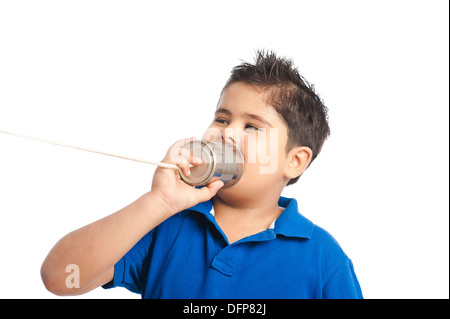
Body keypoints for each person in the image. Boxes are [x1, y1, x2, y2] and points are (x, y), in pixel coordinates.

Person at [41, 50, 363, 298]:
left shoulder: (323, 259)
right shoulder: (166, 225)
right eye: (222, 119)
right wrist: (160, 202)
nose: (228, 134)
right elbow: (61, 276)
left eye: (251, 126)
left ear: (295, 161)